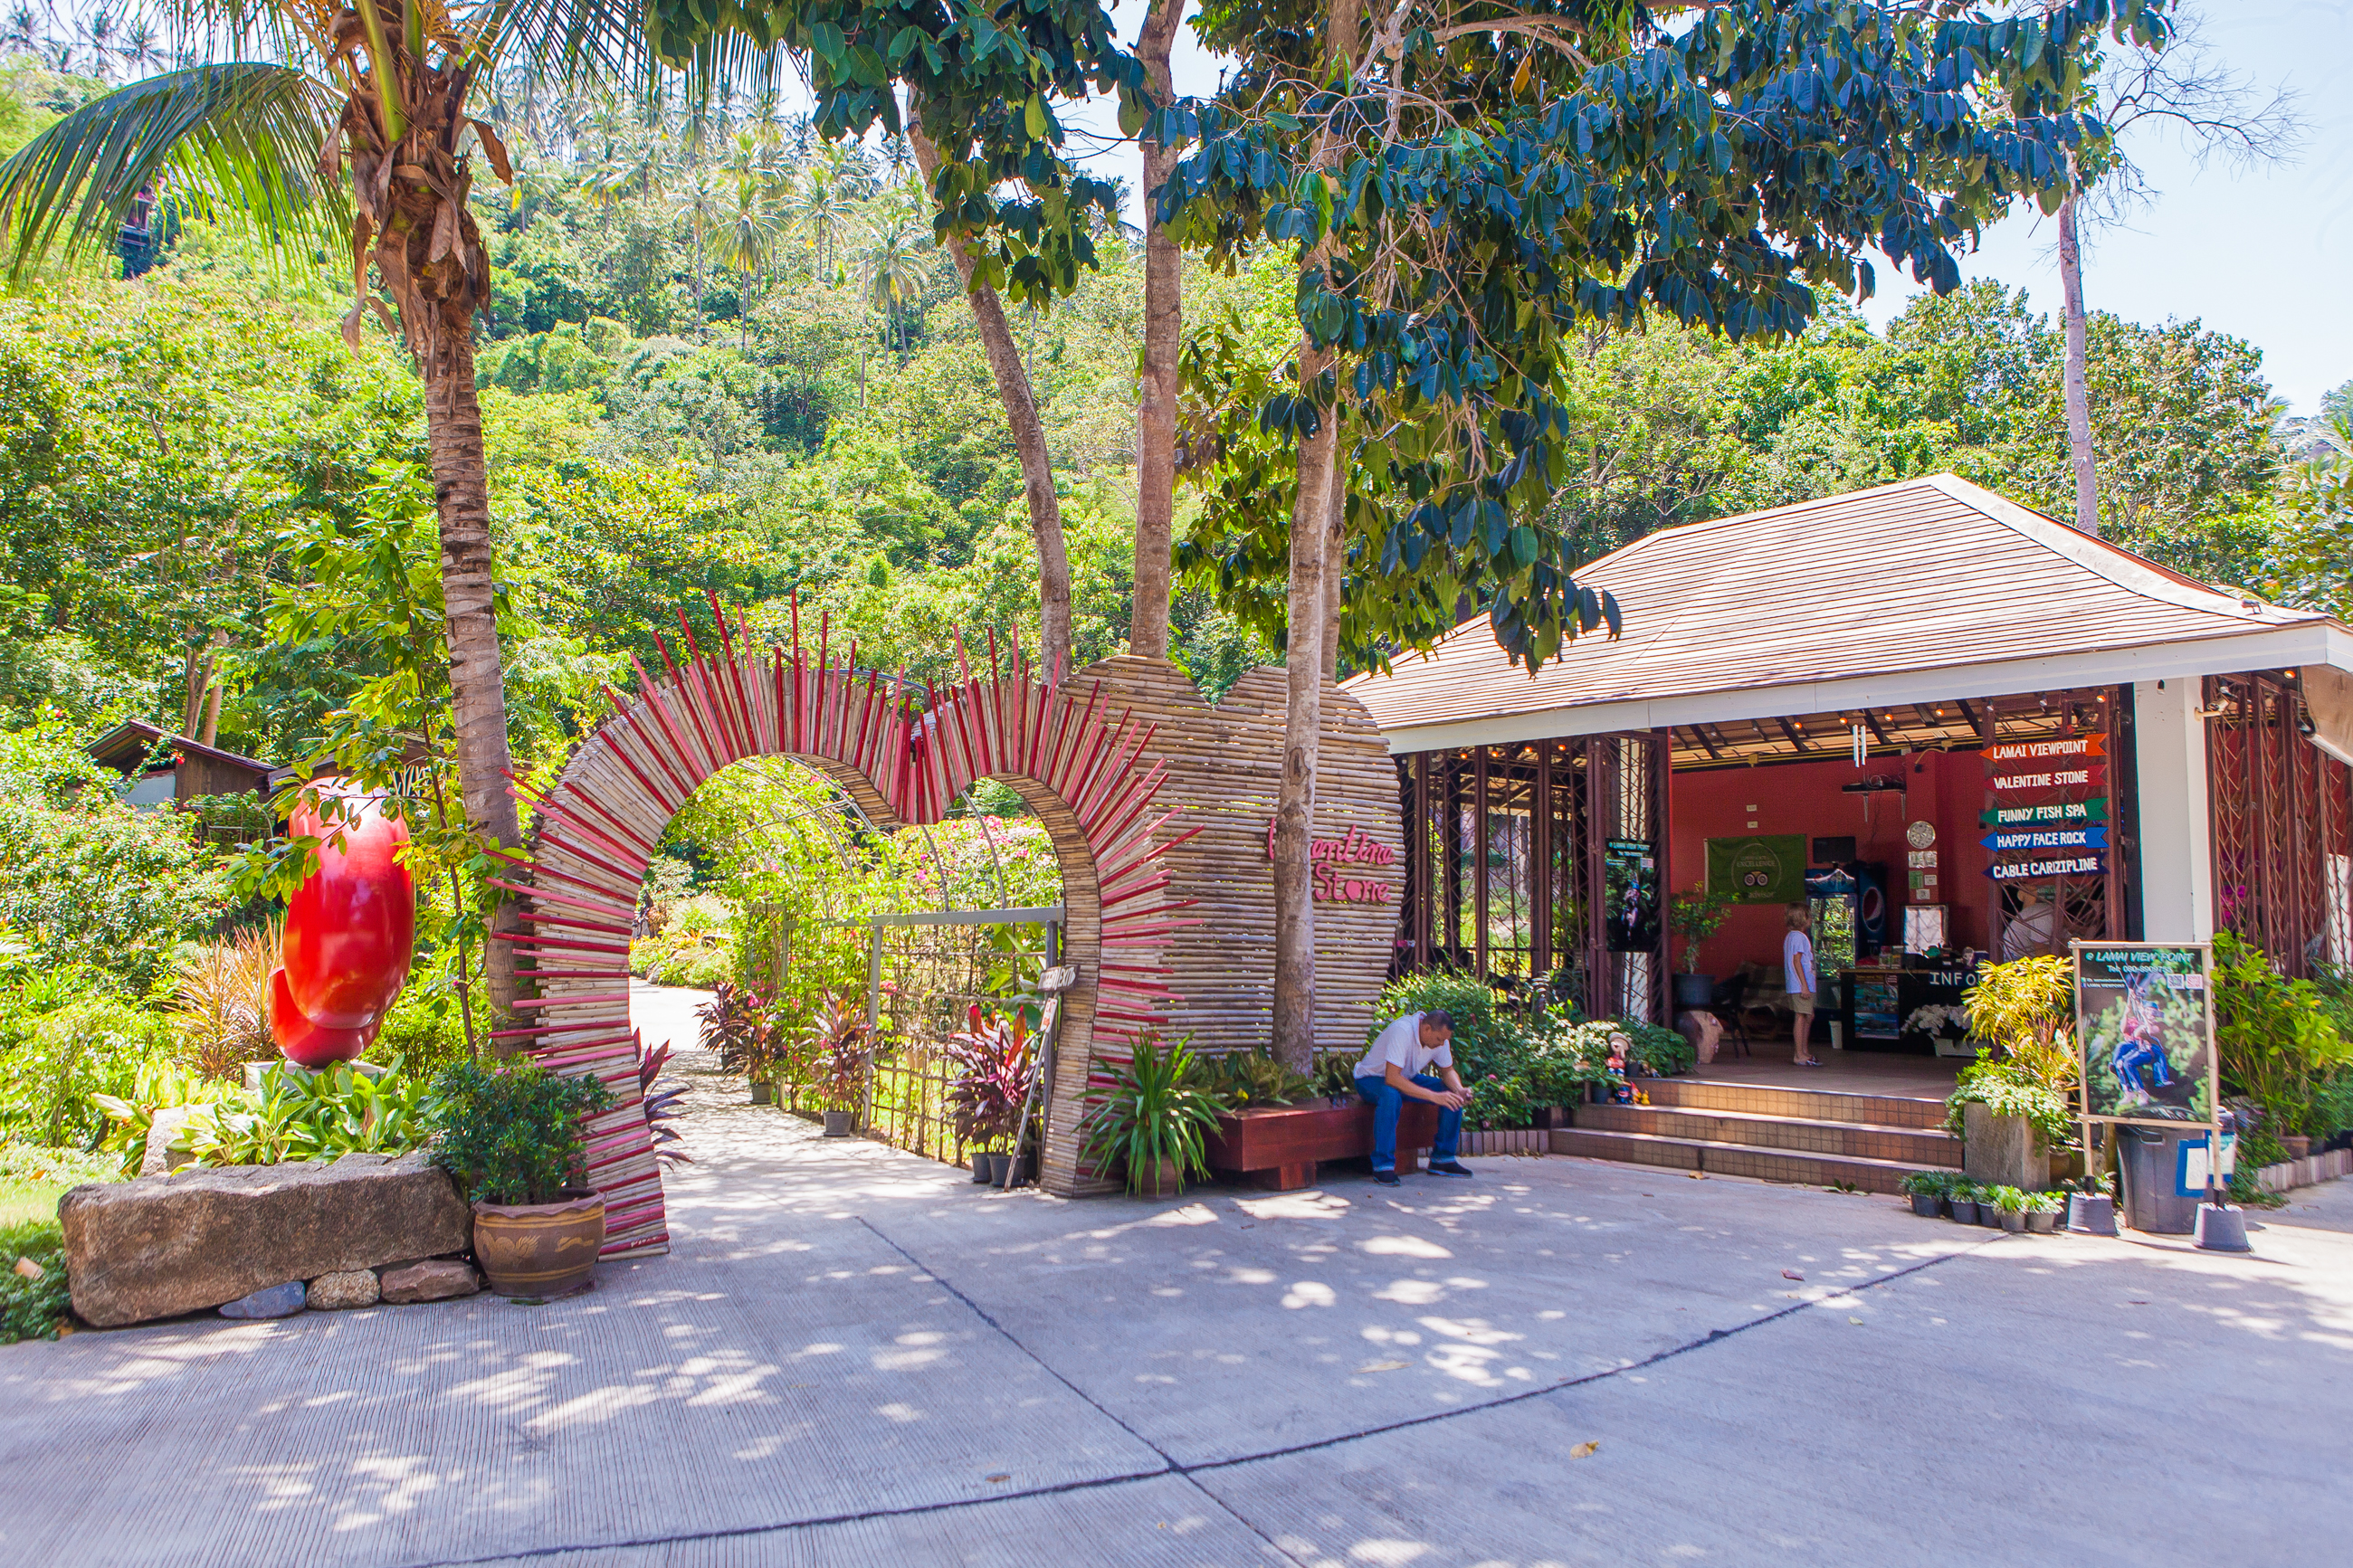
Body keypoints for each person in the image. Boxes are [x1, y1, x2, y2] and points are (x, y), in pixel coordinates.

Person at [1353, 1007, 1473, 1184]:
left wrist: (1459, 1089)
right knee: (1391, 1095)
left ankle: (1443, 1159)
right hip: (1370, 1079)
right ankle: (1383, 1166)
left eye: (1444, 1041)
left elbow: (1448, 1071)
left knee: (1451, 1094)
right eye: (1439, 1039)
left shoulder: (1440, 1038)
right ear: (1426, 1029)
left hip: (1404, 1077)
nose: (1442, 1044)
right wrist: (1433, 1096)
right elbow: (1392, 1078)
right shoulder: (1402, 1030)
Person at [1785, 903, 1822, 1067]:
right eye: (1809, 916)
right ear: (1802, 919)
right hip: (1801, 985)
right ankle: (1800, 1054)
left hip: (1798, 984)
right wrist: (1804, 986)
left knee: (1808, 1015)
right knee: (1801, 1016)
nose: (1811, 919)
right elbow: (1797, 961)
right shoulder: (1800, 937)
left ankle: (1803, 1051)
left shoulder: (1791, 937)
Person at [2000, 882, 2061, 961]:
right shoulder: (2028, 890)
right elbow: (2026, 918)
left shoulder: (1999, 890)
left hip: (2010, 934)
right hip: (2017, 942)